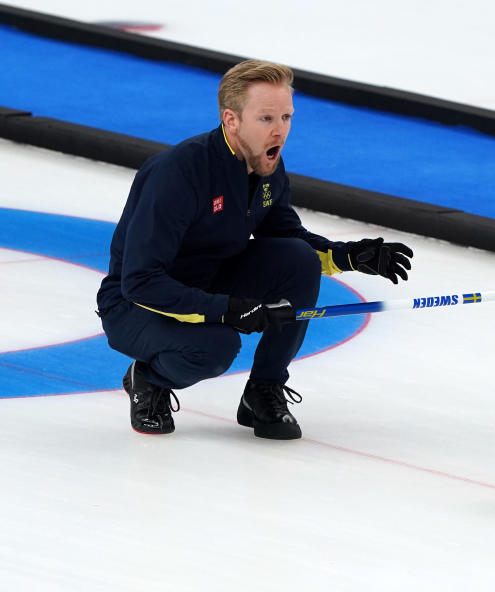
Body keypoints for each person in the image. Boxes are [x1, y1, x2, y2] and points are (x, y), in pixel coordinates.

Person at [96, 59, 412, 440]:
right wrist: (228, 310)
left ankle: (263, 392)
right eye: (266, 119)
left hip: (211, 280)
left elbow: (287, 237)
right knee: (216, 347)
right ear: (231, 120)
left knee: (297, 261)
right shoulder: (178, 174)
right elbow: (141, 282)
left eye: (286, 117)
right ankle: (147, 378)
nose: (280, 130)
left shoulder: (267, 169)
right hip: (135, 305)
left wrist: (348, 255)